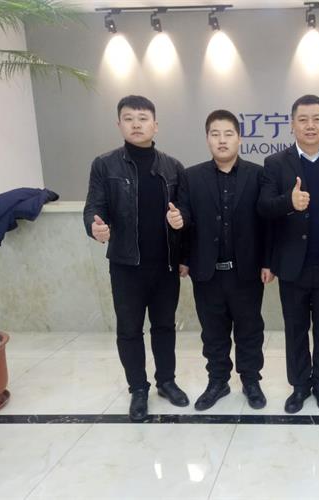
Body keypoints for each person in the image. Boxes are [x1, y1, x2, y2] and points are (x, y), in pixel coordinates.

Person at [83, 95, 189, 422]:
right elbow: (94, 207)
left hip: (165, 265)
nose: (136, 124)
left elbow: (185, 213)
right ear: (119, 125)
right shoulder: (105, 165)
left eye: (143, 118)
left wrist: (181, 224)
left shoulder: (173, 167)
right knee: (129, 330)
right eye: (129, 118)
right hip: (126, 265)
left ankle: (166, 382)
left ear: (155, 125)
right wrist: (95, 227)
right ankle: (138, 389)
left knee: (164, 326)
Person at [167, 110, 273, 411]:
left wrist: (268, 262)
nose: (222, 140)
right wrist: (183, 252)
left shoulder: (258, 175)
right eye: (215, 134)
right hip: (206, 271)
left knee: (249, 330)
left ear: (239, 138)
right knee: (213, 332)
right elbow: (186, 218)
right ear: (207, 139)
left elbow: (267, 223)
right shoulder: (191, 176)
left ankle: (251, 381)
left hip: (247, 271)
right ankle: (218, 381)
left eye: (228, 134)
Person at [257, 95, 319, 414]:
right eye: (303, 119)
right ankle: (299, 386)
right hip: (292, 266)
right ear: (292, 124)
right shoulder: (275, 163)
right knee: (295, 329)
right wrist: (288, 202)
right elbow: (263, 208)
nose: (310, 125)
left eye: (317, 119)